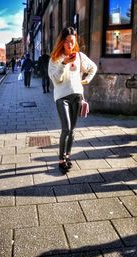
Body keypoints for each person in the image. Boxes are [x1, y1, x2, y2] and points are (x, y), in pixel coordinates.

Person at [48, 26, 97, 174]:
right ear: (62, 42)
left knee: (73, 130)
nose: (70, 45)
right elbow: (56, 80)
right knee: (66, 128)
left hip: (77, 95)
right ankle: (61, 159)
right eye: (68, 41)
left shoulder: (80, 56)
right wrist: (64, 63)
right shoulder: (55, 59)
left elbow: (93, 67)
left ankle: (68, 156)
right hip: (61, 97)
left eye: (73, 42)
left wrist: (86, 80)